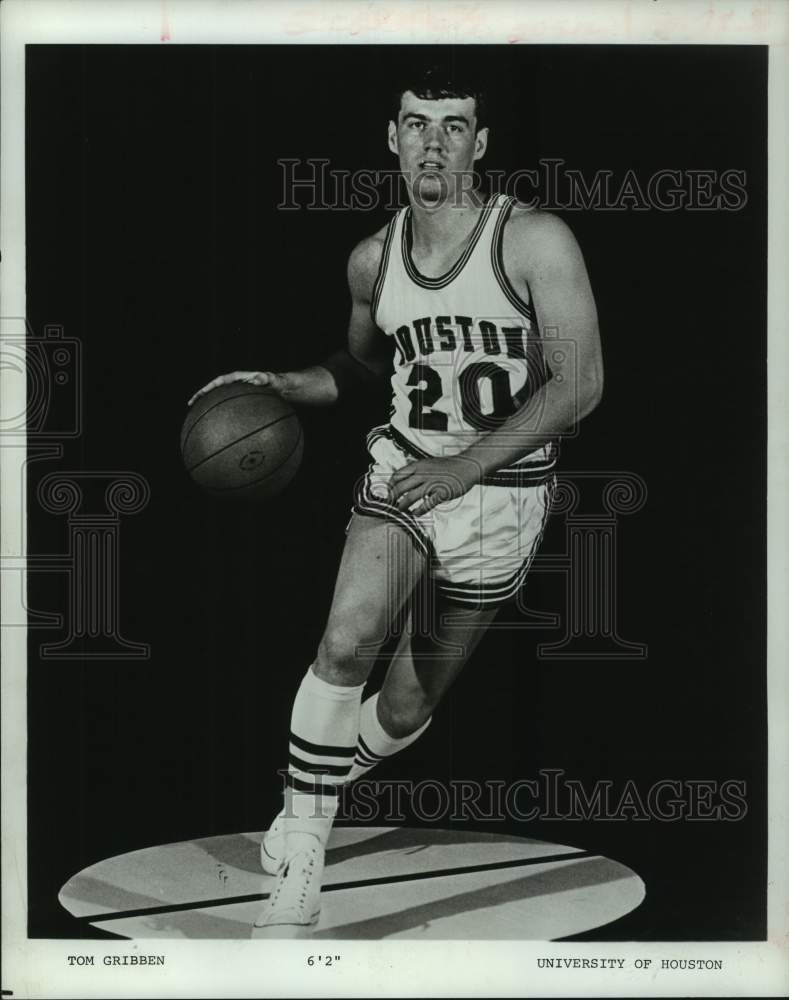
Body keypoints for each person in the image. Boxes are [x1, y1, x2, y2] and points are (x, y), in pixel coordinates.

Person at [188, 66, 603, 934]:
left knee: (409, 706)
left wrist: (467, 469)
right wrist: (279, 383)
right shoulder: (372, 260)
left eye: (454, 127)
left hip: (502, 499)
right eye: (417, 124)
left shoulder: (534, 242)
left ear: (479, 145)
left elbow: (580, 386)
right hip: (403, 477)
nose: (434, 142)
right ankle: (304, 849)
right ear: (392, 138)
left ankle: (314, 787)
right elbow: (357, 371)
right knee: (344, 641)